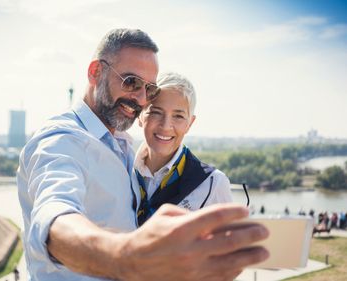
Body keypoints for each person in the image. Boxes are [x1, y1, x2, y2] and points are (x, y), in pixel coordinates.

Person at [17, 28, 269, 281]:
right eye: (130, 82)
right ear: (96, 72)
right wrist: (126, 257)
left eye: (148, 89)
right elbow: (55, 219)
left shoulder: (120, 146)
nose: (140, 98)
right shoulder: (62, 141)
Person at [134, 72, 233, 225]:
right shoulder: (122, 170)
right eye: (156, 112)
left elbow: (228, 245)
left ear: (190, 124)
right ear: (140, 115)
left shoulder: (213, 183)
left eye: (178, 116)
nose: (166, 126)